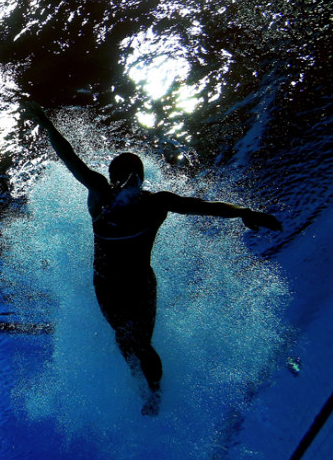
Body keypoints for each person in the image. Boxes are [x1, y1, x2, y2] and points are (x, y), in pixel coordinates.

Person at [22, 102, 281, 416]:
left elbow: (202, 205)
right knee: (123, 340)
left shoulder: (158, 202)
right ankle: (138, 382)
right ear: (111, 178)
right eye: (119, 176)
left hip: (139, 286)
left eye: (131, 177)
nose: (126, 181)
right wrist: (47, 123)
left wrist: (244, 212)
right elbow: (70, 158)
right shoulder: (100, 193)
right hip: (106, 286)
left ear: (141, 179)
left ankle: (156, 393)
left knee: (142, 345)